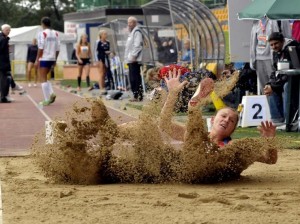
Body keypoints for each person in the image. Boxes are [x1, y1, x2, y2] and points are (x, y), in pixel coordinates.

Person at [264, 32, 300, 127]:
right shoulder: (276, 52)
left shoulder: (293, 49)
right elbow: (276, 71)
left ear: (283, 41)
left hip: (295, 79)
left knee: (287, 86)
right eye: (271, 45)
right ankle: (277, 120)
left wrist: (274, 86)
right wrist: (270, 84)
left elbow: (292, 72)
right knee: (269, 88)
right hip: (286, 78)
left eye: (276, 43)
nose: (274, 47)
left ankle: (290, 119)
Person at [250, 17, 291, 94]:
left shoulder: (280, 18)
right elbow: (253, 41)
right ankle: (268, 105)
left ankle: (277, 105)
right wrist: (253, 59)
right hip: (259, 59)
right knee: (265, 89)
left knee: (275, 88)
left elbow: (287, 36)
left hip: (273, 58)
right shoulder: (256, 20)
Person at [35, 17, 60, 106]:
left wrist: (37, 59)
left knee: (42, 78)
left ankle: (46, 100)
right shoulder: (56, 33)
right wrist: (55, 60)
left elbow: (40, 47)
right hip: (52, 58)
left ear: (42, 24)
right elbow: (58, 48)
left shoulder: (42, 33)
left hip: (44, 58)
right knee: (45, 77)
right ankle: (51, 93)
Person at [124, 16, 144, 102]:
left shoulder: (137, 32)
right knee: (132, 77)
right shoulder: (131, 33)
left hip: (134, 60)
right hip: (130, 59)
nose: (129, 24)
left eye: (131, 22)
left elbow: (137, 45)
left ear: (135, 23)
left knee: (135, 78)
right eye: (128, 23)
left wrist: (134, 55)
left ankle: (138, 95)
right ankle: (136, 95)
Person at [95, 29, 110, 95]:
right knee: (101, 74)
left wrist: (110, 53)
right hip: (100, 59)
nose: (106, 35)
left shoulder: (108, 42)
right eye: (104, 34)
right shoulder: (98, 42)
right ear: (101, 35)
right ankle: (101, 88)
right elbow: (95, 51)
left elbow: (109, 50)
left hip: (106, 59)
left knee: (104, 74)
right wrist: (97, 60)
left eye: (106, 34)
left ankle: (104, 87)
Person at [0, 24, 12, 103]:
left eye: (9, 30)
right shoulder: (3, 39)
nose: (9, 31)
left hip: (3, 63)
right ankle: (3, 97)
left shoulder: (4, 38)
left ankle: (4, 96)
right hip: (3, 63)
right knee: (4, 80)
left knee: (5, 79)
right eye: (7, 30)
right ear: (3, 30)